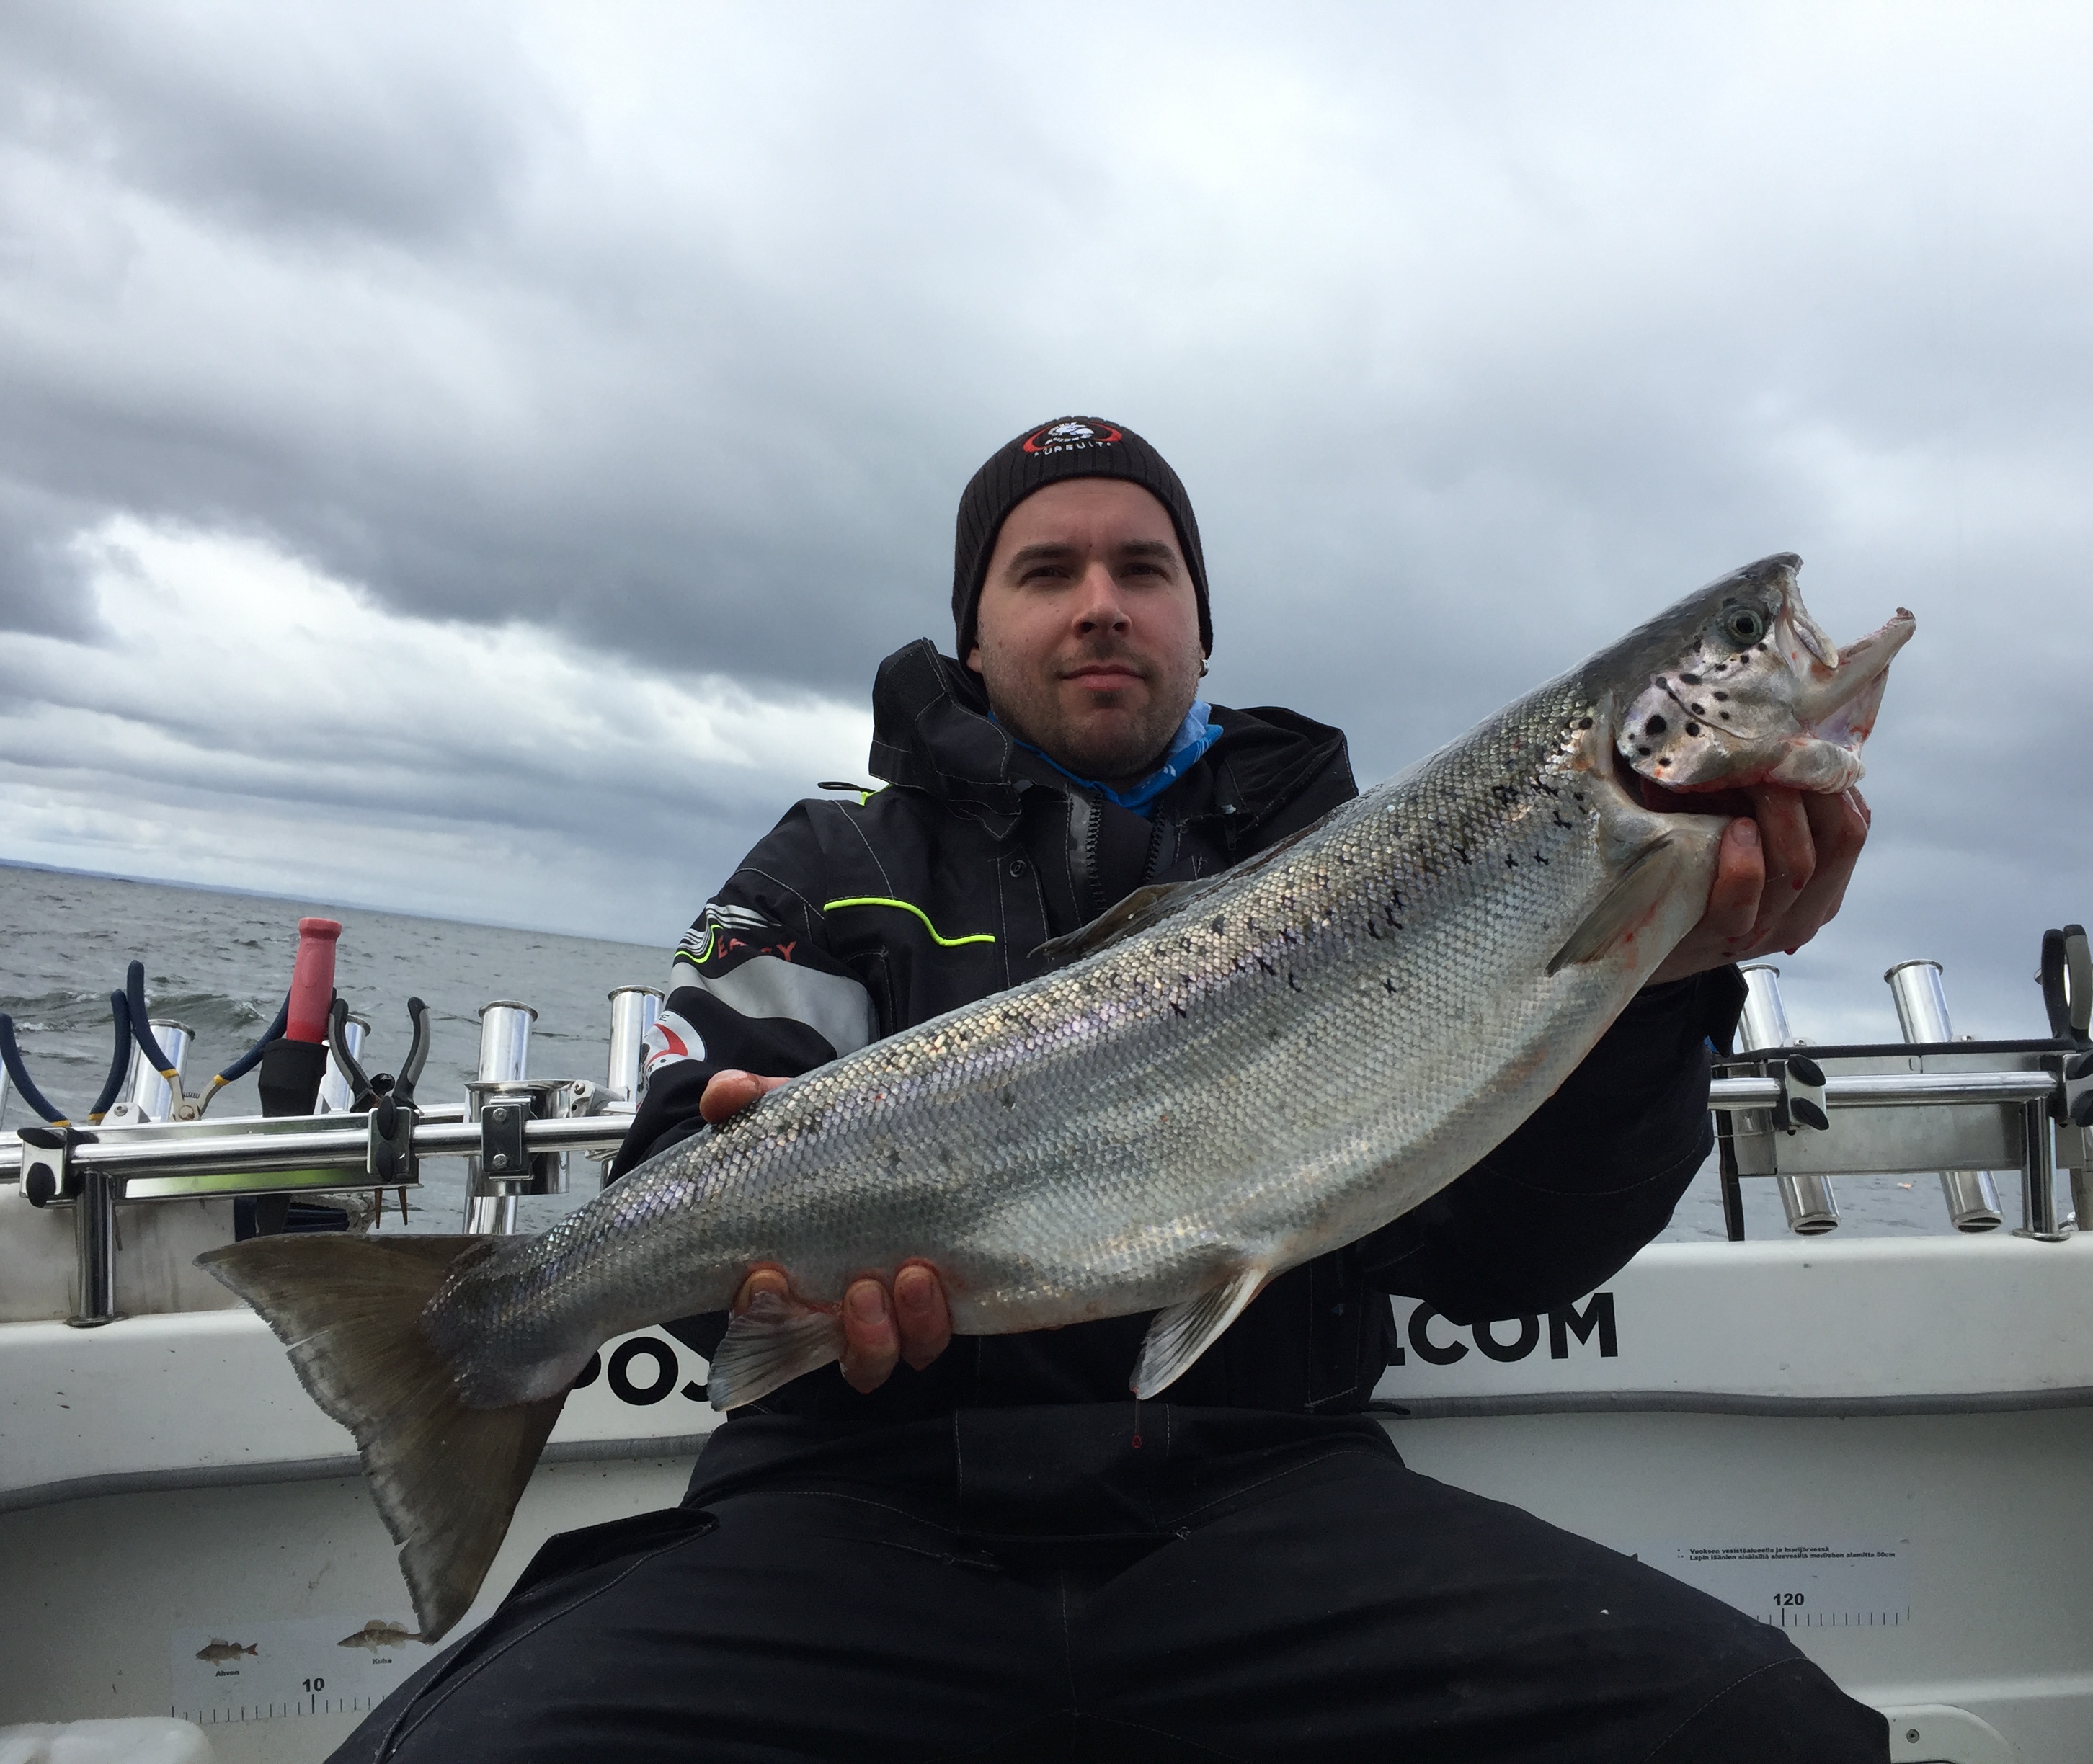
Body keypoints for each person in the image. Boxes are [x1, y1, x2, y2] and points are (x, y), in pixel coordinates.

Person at [333, 418, 1887, 1762]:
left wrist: (1660, 995)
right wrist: (760, 1265)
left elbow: (1510, 1261)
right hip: (849, 1507)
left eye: (1145, 569)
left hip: (1268, 1500)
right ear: (974, 633)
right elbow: (685, 1168)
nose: (1101, 605)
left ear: (1201, 625)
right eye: (1046, 570)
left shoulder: (1374, 869)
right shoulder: (831, 864)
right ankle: (447, 1347)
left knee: (1766, 1732)